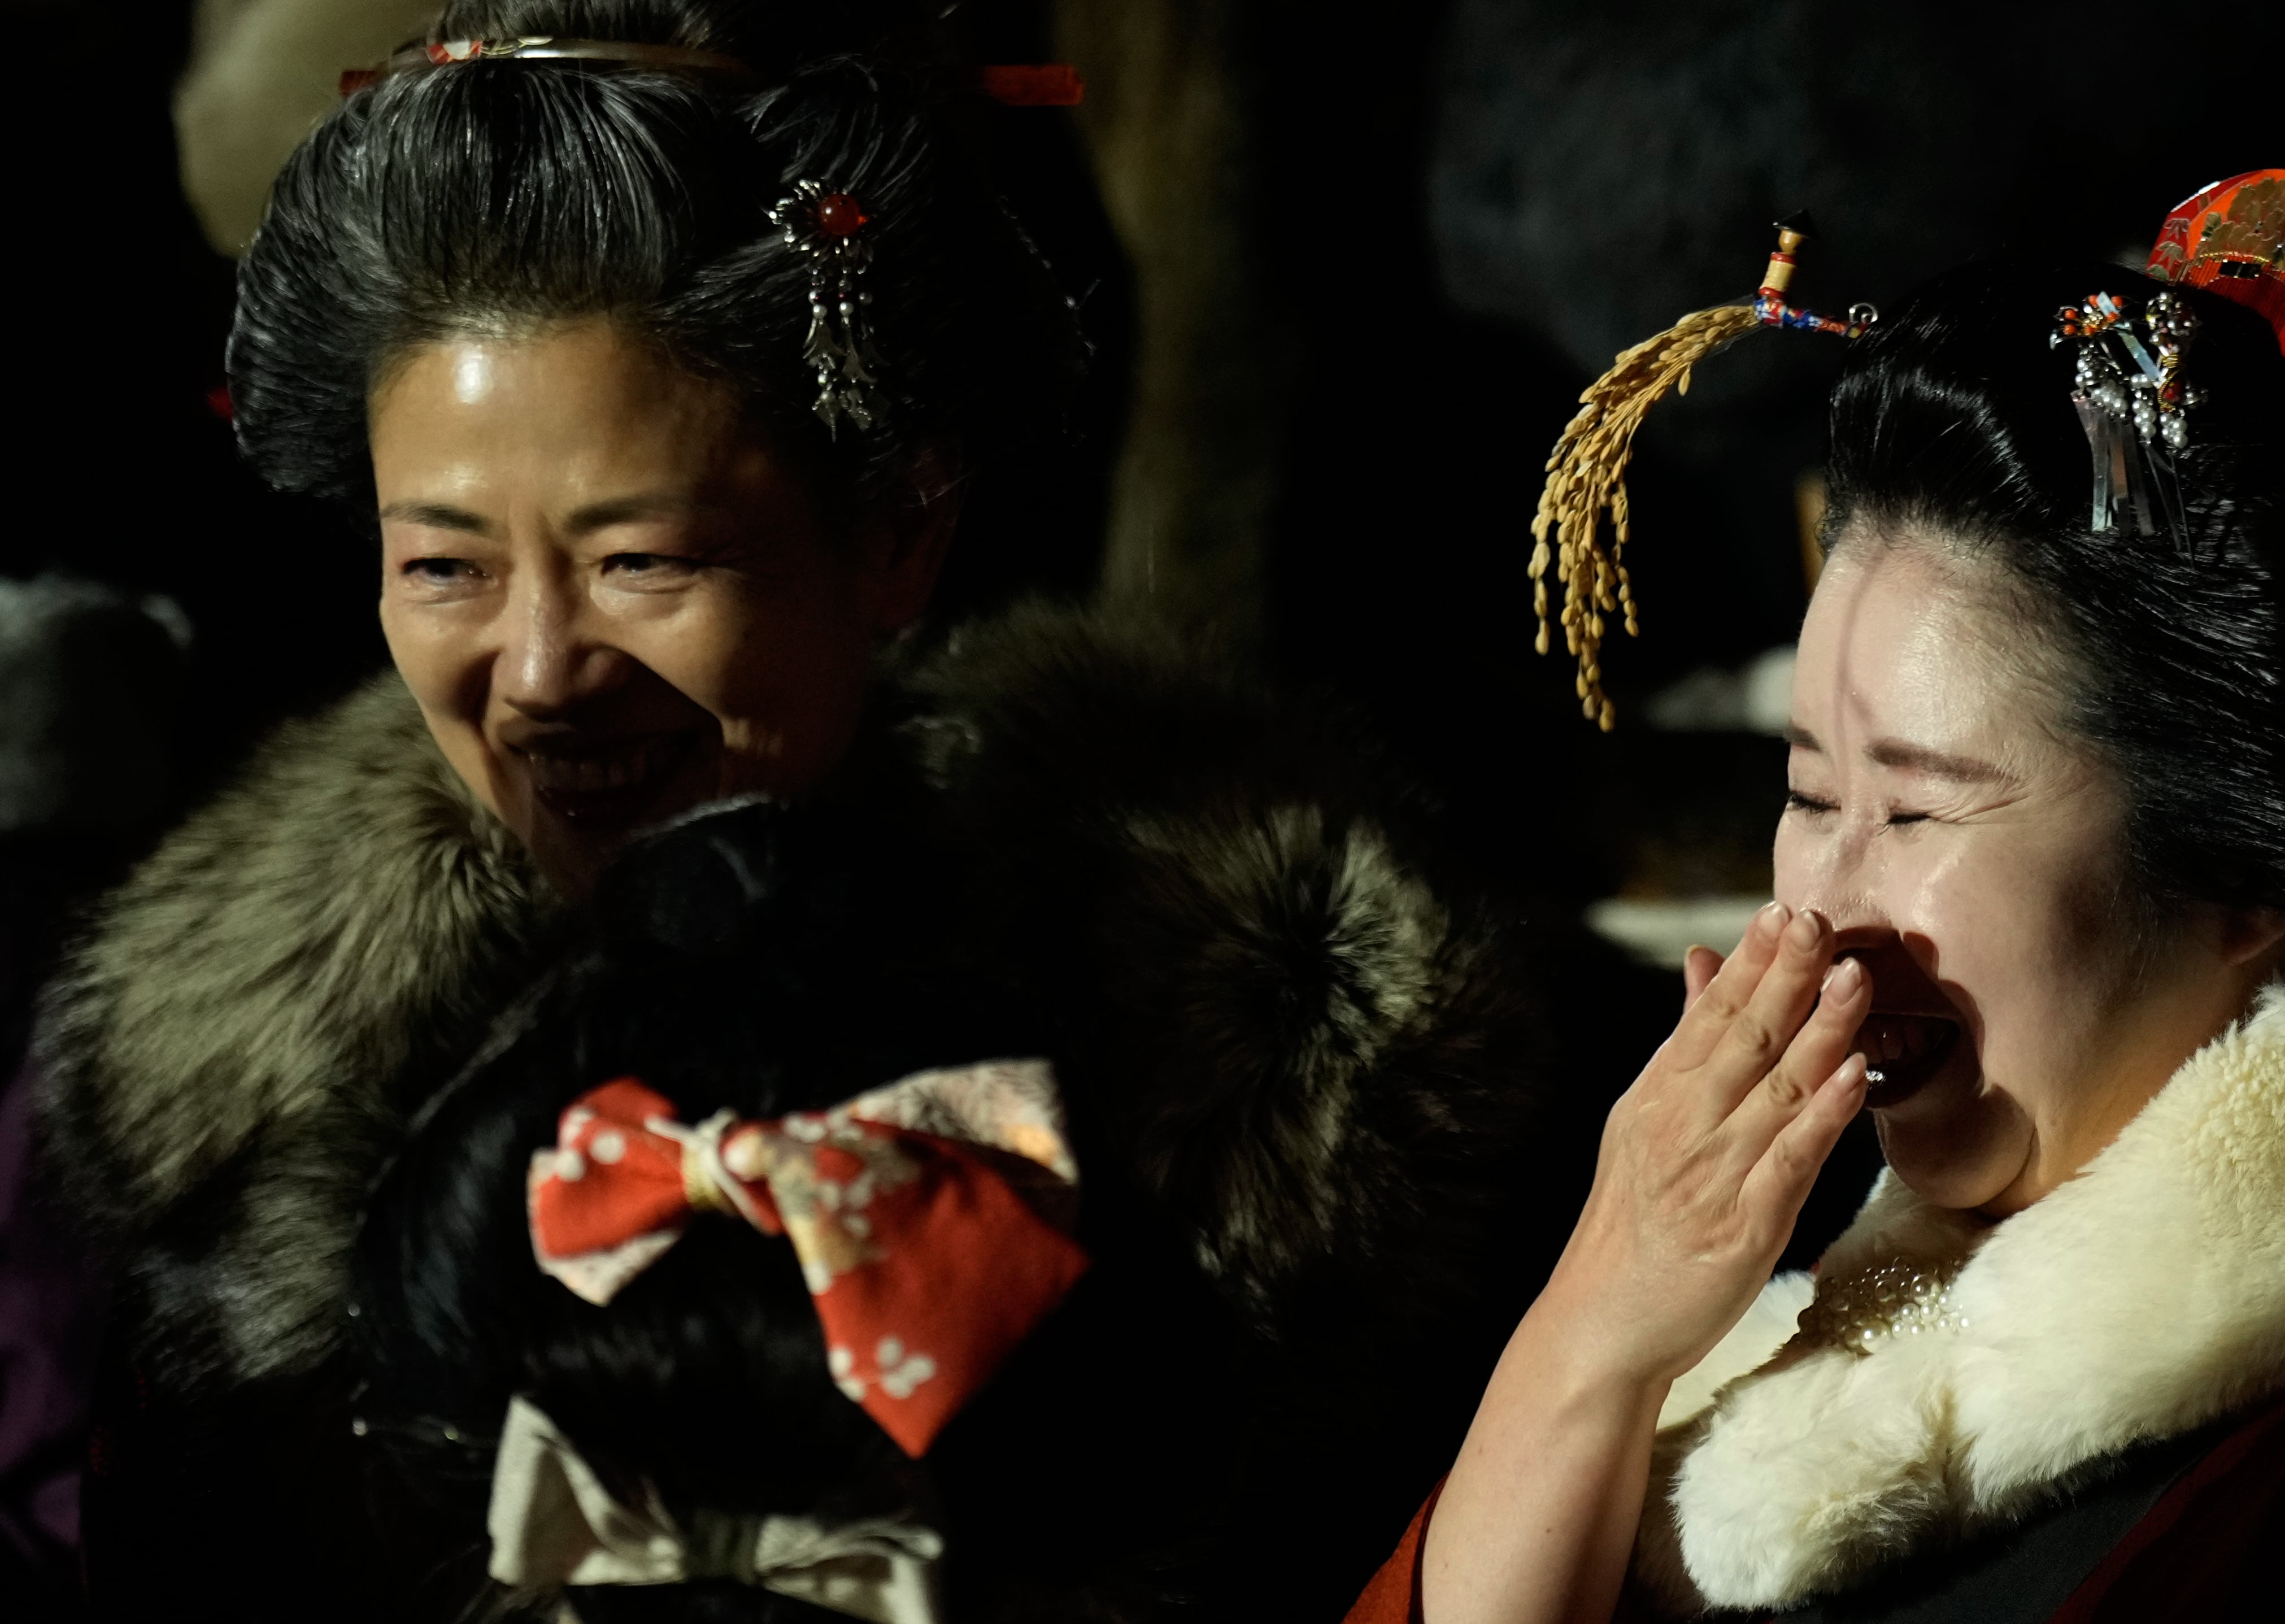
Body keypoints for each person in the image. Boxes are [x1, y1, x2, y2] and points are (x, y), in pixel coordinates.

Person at [36, 3, 1607, 1617]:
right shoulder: (232, 1112)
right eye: (446, 565)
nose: (542, 672)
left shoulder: (1289, 1089)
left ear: (897, 533)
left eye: (643, 560)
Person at [1351, 170, 2285, 1623]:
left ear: (2242, 865)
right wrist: (1592, 1335)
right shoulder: (1782, 1344)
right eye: (1809, 796)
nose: (1821, 913)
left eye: (1918, 808)